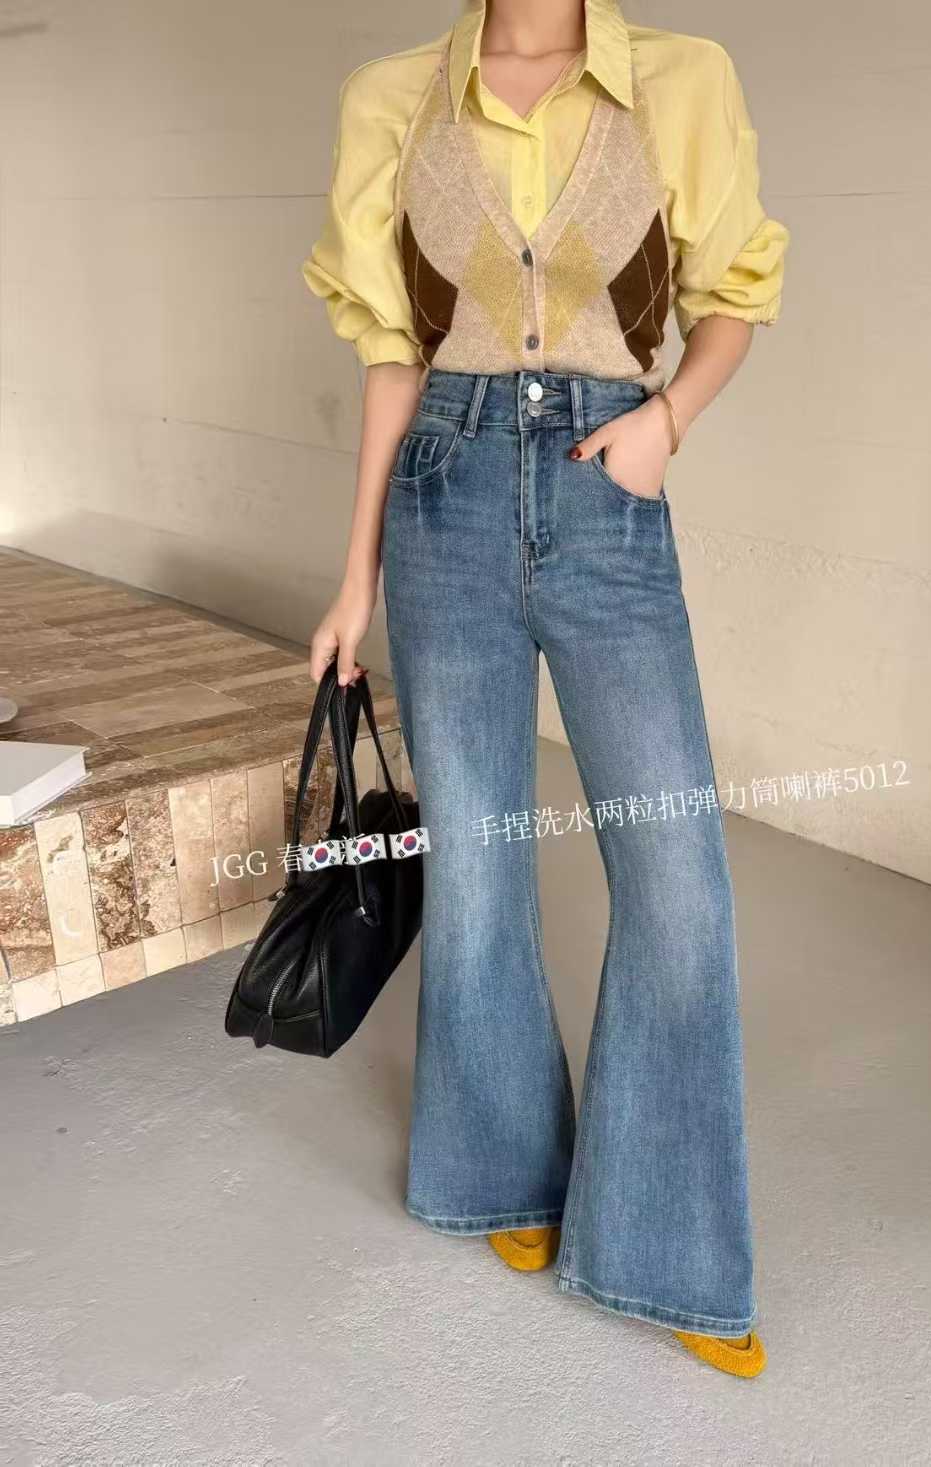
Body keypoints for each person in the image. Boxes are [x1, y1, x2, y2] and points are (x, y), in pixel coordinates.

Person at [300, 0, 789, 1379]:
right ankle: (501, 1167)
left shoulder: (680, 79)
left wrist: (665, 423)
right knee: (478, 864)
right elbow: (392, 354)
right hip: (442, 494)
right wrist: (353, 577)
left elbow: (732, 297)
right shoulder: (392, 94)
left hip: (603, 481)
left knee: (678, 879)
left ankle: (665, 1246)